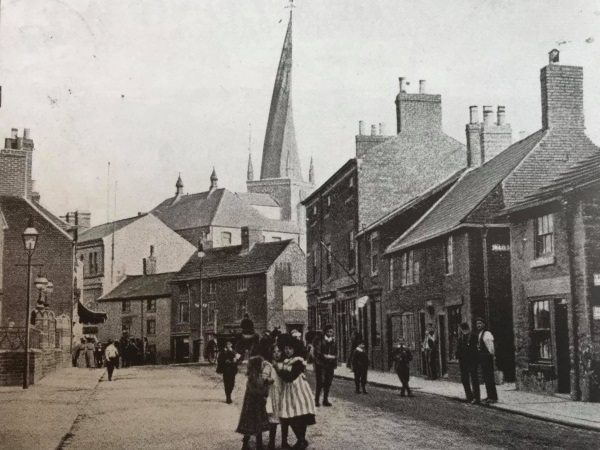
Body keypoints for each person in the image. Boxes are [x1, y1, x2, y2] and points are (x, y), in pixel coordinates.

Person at [276, 334, 316, 450]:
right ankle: (299, 441)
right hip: (288, 390)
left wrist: (279, 370)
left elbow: (291, 377)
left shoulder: (298, 361)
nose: (288, 351)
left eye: (290, 348)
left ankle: (301, 440)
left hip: (298, 390)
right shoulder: (285, 360)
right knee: (289, 415)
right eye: (286, 348)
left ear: (295, 349)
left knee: (299, 415)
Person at [236, 355, 270, 450]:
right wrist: (266, 386)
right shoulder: (255, 377)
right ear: (257, 366)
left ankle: (253, 444)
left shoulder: (253, 376)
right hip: (254, 406)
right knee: (253, 425)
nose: (263, 366)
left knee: (252, 425)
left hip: (253, 405)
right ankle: (252, 445)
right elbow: (258, 391)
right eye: (262, 364)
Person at [262, 344, 290, 450]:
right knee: (273, 419)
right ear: (271, 353)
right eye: (274, 351)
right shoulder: (268, 365)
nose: (277, 353)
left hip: (284, 393)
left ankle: (284, 442)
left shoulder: (284, 363)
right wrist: (267, 379)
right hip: (273, 393)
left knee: (285, 418)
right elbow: (263, 377)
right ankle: (271, 442)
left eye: (279, 351)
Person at [456, 322, 480, 404]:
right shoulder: (461, 338)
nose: (464, 331)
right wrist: (458, 356)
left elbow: (477, 349)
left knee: (474, 378)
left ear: (468, 329)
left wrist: (476, 360)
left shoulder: (474, 336)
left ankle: (477, 397)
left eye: (465, 329)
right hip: (463, 361)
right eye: (463, 330)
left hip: (472, 361)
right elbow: (458, 349)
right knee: (464, 379)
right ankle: (469, 396)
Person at [313, 324, 337, 407]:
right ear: (325, 332)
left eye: (332, 332)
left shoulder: (333, 341)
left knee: (328, 382)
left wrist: (334, 358)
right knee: (320, 382)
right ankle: (316, 400)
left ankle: (325, 400)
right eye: (329, 332)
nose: (330, 333)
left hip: (330, 364)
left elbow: (335, 352)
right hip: (321, 364)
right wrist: (324, 356)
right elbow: (317, 352)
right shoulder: (320, 340)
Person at [475, 318, 498, 404]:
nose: (478, 325)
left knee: (489, 377)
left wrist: (491, 356)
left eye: (480, 323)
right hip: (482, 359)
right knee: (486, 377)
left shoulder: (487, 334)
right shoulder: (479, 333)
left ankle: (493, 397)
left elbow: (490, 347)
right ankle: (489, 395)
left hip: (487, 358)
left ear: (484, 324)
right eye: (477, 323)